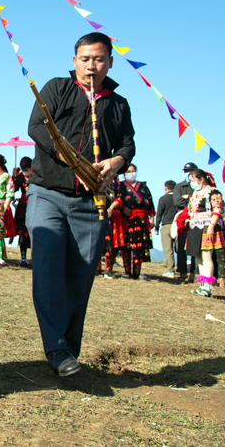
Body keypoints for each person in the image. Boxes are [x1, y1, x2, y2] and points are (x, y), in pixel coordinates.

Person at [26, 32, 135, 377]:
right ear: (74, 61)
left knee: (80, 274)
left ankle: (68, 351)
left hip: (92, 202)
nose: (91, 66)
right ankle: (56, 347)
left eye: (99, 59)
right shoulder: (57, 88)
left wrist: (116, 162)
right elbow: (37, 127)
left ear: (110, 62)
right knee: (47, 263)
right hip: (47, 192)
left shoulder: (118, 104)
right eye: (85, 59)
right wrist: (68, 157)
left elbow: (128, 145)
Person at [185, 169, 225, 297]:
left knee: (207, 256)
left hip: (207, 227)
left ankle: (208, 286)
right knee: (199, 257)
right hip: (195, 227)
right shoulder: (195, 193)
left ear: (201, 179)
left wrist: (212, 226)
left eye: (193, 180)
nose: (191, 183)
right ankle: (202, 285)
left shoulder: (213, 192)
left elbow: (217, 209)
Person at [117, 164, 155, 281]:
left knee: (139, 246)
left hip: (141, 220)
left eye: (133, 171)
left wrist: (152, 218)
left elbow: (150, 203)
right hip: (127, 219)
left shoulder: (143, 186)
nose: (131, 173)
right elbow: (116, 200)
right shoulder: (120, 186)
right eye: (128, 171)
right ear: (124, 173)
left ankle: (137, 272)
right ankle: (127, 271)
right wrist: (122, 208)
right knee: (126, 246)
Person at [172, 162, 198, 279]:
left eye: (191, 171)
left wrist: (189, 199)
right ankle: (182, 272)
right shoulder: (179, 186)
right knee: (181, 246)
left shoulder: (199, 187)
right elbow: (177, 202)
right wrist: (192, 201)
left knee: (195, 247)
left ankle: (194, 274)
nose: (188, 174)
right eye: (186, 172)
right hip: (183, 219)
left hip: (197, 219)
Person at [12, 156, 33, 266]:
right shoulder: (20, 176)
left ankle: (35, 257)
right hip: (23, 204)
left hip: (34, 202)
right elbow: (14, 189)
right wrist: (14, 177)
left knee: (34, 231)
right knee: (22, 232)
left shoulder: (37, 176)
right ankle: (23, 258)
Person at [154, 180, 177, 278]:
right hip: (178, 225)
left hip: (167, 225)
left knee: (168, 249)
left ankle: (171, 270)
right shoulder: (178, 198)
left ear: (165, 188)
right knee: (179, 249)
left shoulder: (163, 199)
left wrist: (157, 226)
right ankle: (182, 270)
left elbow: (159, 213)